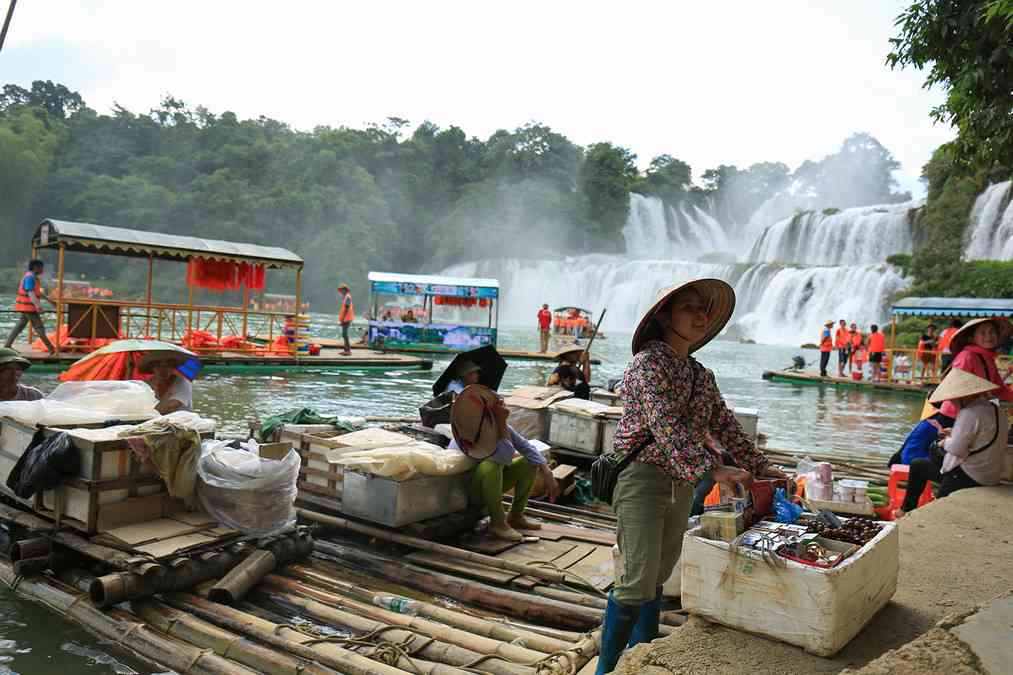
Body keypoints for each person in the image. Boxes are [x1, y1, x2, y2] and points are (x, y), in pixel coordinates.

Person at [597, 278, 783, 675]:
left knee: (658, 576)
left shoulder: (700, 374)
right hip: (642, 479)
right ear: (664, 315)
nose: (701, 316)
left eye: (704, 310)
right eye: (689, 308)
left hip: (680, 482)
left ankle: (642, 655)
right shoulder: (648, 364)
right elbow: (665, 426)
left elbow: (724, 423)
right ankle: (606, 668)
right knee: (634, 580)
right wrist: (712, 470)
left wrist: (759, 464)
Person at [450, 384, 559, 542]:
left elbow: (527, 447)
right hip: (469, 493)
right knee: (491, 465)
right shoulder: (469, 431)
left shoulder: (498, 426)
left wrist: (548, 473)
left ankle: (515, 515)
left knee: (528, 462)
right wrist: (501, 422)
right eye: (499, 403)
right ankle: (498, 523)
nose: (503, 404)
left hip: (491, 487)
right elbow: (504, 457)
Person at [895, 369, 1008, 518]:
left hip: (971, 475)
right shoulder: (995, 409)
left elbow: (957, 449)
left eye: (953, 399)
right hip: (991, 473)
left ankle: (905, 510)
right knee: (918, 465)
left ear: (963, 397)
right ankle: (906, 510)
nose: (952, 402)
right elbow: (981, 436)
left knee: (919, 467)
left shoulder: (969, 413)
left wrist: (944, 443)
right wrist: (954, 432)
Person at [939, 318, 1013, 423]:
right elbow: (952, 389)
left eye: (992, 332)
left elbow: (999, 389)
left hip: (976, 414)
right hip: (954, 415)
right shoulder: (966, 356)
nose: (988, 336)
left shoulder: (988, 359)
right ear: (972, 339)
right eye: (983, 333)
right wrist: (964, 415)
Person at [4, 260, 56, 355]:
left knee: (19, 326)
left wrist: (50, 300)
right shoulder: (29, 278)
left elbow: (37, 292)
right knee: (39, 327)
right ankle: (51, 349)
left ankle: (7, 345)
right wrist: (38, 307)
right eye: (41, 267)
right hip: (29, 308)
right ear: (35, 267)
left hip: (26, 307)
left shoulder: (33, 278)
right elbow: (30, 293)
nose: (42, 270)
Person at [337, 283, 354, 356]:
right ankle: (346, 350)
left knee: (345, 334)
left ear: (345, 290)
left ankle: (348, 351)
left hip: (347, 319)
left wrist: (343, 319)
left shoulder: (347, 297)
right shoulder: (345, 297)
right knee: (344, 335)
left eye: (341, 290)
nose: (340, 292)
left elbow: (347, 309)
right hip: (345, 318)